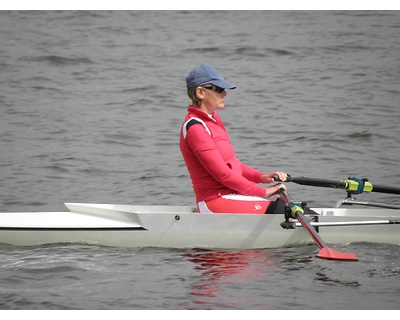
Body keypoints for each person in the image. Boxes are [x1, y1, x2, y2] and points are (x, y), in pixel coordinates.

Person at [180, 64, 288, 214]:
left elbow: (233, 164)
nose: (224, 94)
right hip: (214, 201)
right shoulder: (195, 128)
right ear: (200, 92)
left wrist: (261, 177)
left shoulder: (213, 121)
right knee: (283, 211)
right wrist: (263, 192)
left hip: (232, 196)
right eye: (218, 89)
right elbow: (223, 174)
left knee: (288, 207)